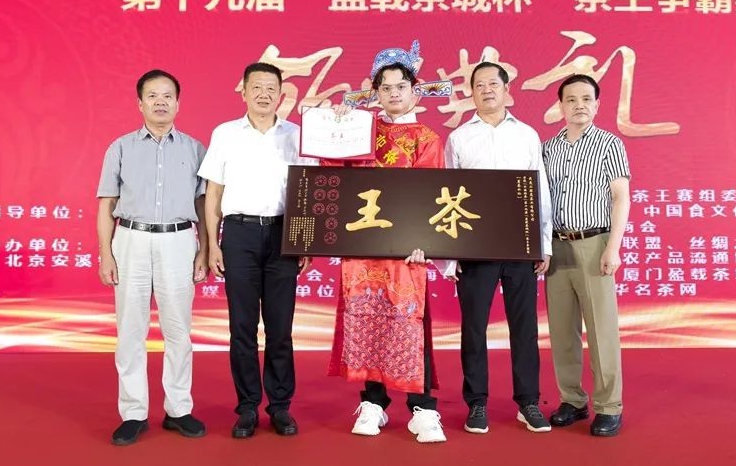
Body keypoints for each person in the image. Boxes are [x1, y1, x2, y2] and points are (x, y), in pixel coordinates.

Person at [323, 41, 447, 443]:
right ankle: (373, 403)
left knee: (409, 322)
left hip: (407, 251)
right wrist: (337, 128)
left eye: (400, 86)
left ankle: (422, 409)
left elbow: (430, 194)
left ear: (415, 90)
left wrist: (422, 240)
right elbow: (332, 171)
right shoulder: (361, 131)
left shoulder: (426, 138)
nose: (393, 93)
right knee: (367, 320)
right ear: (374, 91)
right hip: (363, 248)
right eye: (386, 87)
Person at [199, 62, 311, 439]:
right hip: (239, 234)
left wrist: (304, 240)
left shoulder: (297, 136)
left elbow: (308, 189)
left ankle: (279, 406)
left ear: (281, 94)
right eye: (256, 87)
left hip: (283, 235)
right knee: (242, 328)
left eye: (271, 88)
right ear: (244, 92)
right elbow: (213, 193)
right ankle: (247, 406)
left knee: (280, 328)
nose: (264, 94)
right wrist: (213, 244)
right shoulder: (225, 134)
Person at [97, 69, 208, 446]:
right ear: (140, 103)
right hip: (130, 239)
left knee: (178, 330)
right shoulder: (121, 148)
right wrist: (105, 253)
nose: (160, 102)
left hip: (179, 241)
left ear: (178, 103)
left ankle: (179, 409)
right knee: (130, 329)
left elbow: (204, 204)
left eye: (167, 96)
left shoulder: (195, 149)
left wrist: (205, 249)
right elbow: (106, 204)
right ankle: (133, 412)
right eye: (152, 96)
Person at [442, 62, 553, 434]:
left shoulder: (526, 135)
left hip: (520, 244)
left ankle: (528, 402)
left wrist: (543, 244)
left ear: (507, 90)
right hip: (475, 248)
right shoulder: (459, 138)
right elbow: (447, 197)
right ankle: (477, 403)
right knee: (474, 328)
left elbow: (540, 190)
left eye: (493, 83)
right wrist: (450, 255)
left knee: (524, 328)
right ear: (471, 92)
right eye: (479, 85)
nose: (487, 89)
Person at [542, 73, 630, 437]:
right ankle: (572, 400)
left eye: (586, 99)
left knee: (601, 330)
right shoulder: (548, 148)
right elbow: (541, 200)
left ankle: (609, 406)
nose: (579, 105)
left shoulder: (609, 144)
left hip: (595, 244)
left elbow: (620, 197)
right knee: (562, 330)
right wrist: (541, 247)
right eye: (571, 99)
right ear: (560, 106)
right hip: (557, 246)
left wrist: (613, 247)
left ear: (597, 105)